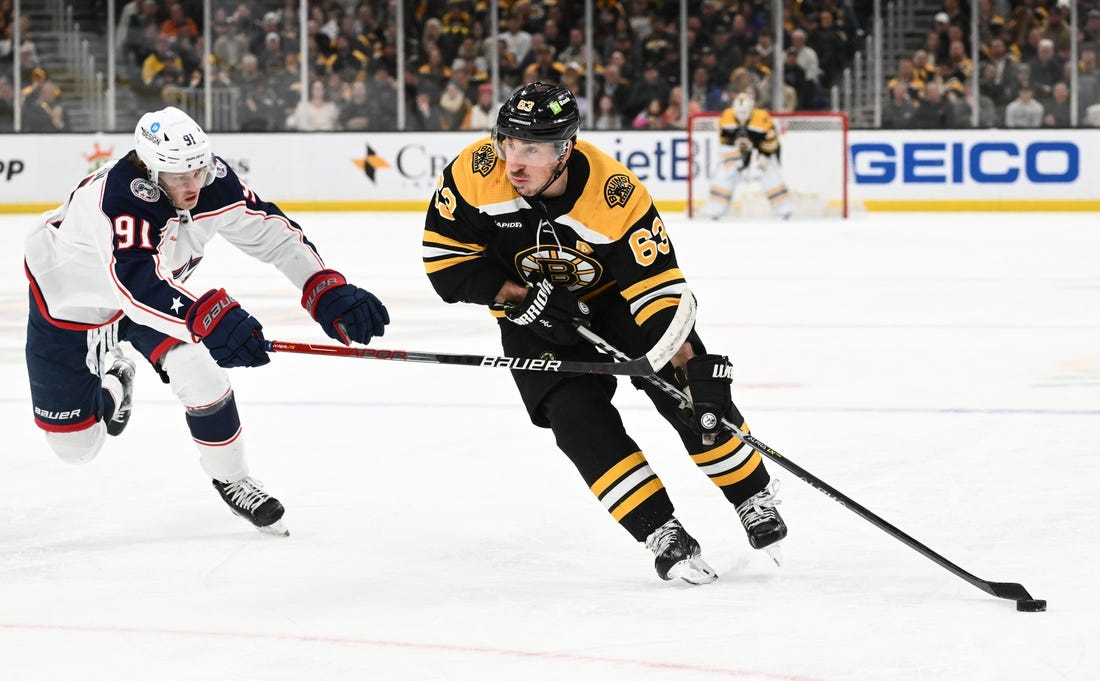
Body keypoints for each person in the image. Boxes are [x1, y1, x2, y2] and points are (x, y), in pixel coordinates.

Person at [421, 82, 786, 585]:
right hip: (530, 315)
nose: (513, 161)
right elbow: (446, 265)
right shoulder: (474, 173)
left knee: (690, 398)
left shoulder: (613, 195)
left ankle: (751, 493)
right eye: (507, 142)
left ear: (565, 149)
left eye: (531, 148)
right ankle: (660, 530)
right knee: (575, 420)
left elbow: (656, 293)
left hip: (616, 304)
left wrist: (689, 363)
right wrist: (522, 299)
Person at [24, 107, 389, 536]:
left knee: (200, 372)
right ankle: (118, 378)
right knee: (76, 448)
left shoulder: (210, 179)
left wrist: (321, 285)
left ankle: (234, 480)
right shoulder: (121, 201)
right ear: (149, 168)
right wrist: (207, 316)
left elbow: (269, 231)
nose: (193, 184)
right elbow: (134, 285)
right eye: (179, 176)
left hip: (153, 293)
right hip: (73, 302)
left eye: (197, 169)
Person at [700, 92, 793, 220]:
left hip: (759, 155)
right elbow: (724, 144)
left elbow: (772, 144)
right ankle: (715, 209)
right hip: (737, 155)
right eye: (739, 111)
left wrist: (756, 155)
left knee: (770, 175)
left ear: (751, 109)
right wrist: (735, 157)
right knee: (723, 174)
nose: (742, 115)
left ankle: (784, 208)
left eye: (745, 111)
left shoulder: (762, 118)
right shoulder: (726, 117)